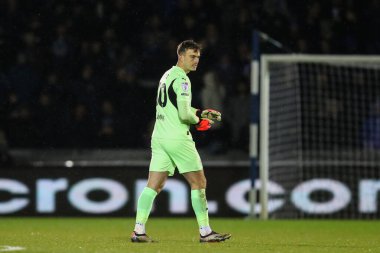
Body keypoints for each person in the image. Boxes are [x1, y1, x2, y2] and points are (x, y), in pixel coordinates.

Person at [130, 40, 231, 243]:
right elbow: (184, 115)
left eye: (198, 57)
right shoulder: (183, 80)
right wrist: (198, 120)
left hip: (159, 137)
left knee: (154, 185)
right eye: (192, 57)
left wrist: (200, 112)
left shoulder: (167, 75)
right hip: (177, 137)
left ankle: (138, 231)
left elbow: (175, 107)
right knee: (199, 182)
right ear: (181, 55)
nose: (196, 61)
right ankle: (205, 232)